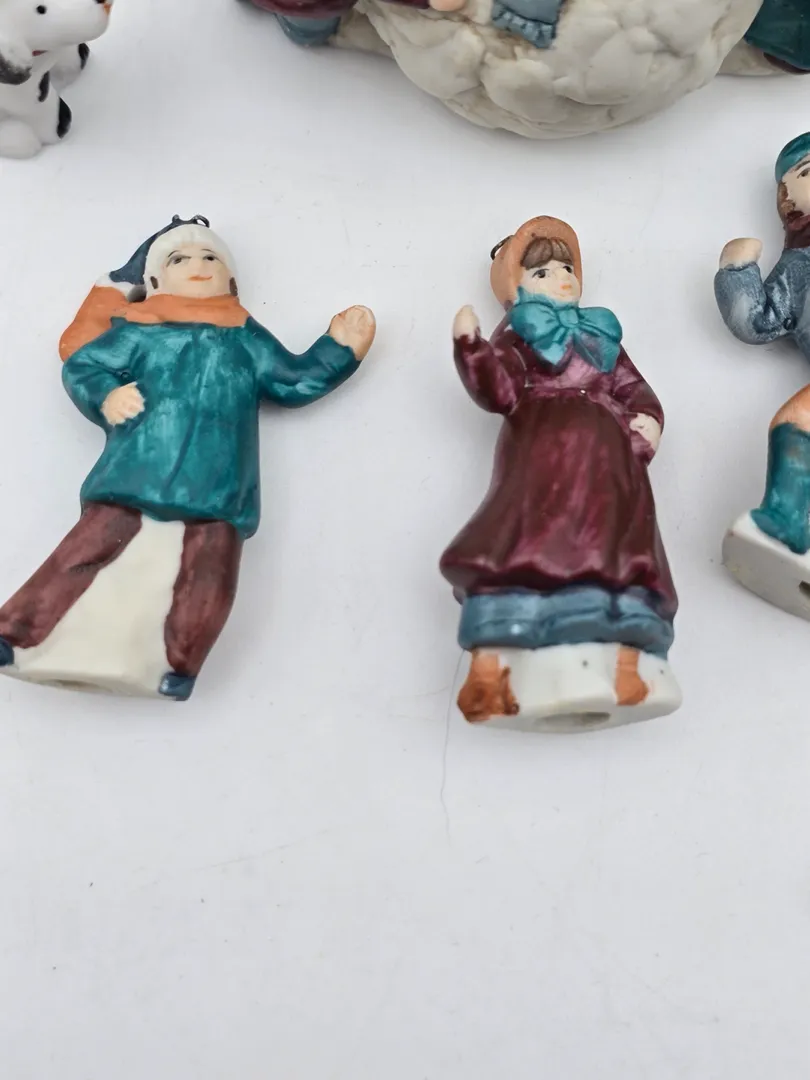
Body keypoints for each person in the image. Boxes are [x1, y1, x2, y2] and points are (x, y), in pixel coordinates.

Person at [0, 215, 375, 700]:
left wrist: (338, 350)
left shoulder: (245, 335)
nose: (198, 265)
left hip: (219, 488)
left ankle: (177, 665)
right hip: (136, 472)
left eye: (210, 257)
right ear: (155, 281)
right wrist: (106, 395)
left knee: (208, 579)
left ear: (230, 279)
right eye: (179, 259)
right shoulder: (138, 331)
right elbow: (84, 365)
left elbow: (291, 381)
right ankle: (18, 633)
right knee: (84, 553)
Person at [440, 216, 679, 728]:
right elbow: (499, 390)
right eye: (543, 272)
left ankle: (627, 662)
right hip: (542, 451)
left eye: (567, 268)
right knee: (529, 538)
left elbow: (633, 388)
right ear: (517, 288)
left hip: (609, 463)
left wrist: (647, 420)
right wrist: (472, 350)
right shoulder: (521, 333)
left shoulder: (600, 335)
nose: (561, 279)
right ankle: (497, 667)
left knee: (616, 546)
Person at [716, 132, 810, 556]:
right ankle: (787, 525)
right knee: (794, 427)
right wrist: (737, 271)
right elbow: (757, 321)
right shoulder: (798, 267)